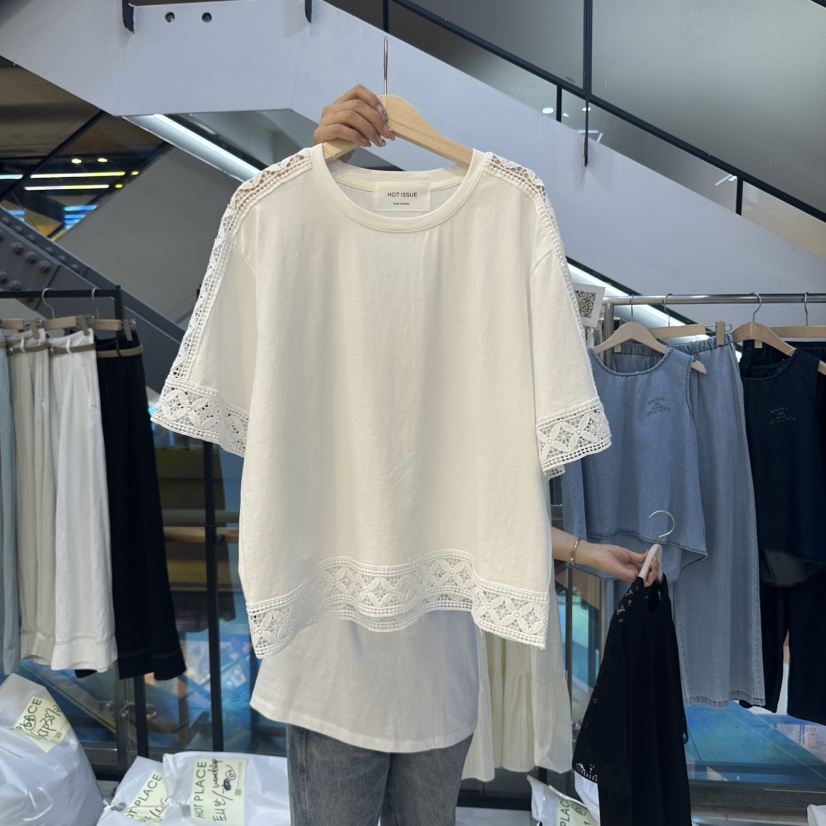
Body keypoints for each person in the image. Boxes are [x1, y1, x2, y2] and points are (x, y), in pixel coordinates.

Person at [250, 86, 657, 826]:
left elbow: (476, 487)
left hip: (438, 675)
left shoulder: (510, 216)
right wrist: (311, 170)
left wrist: (580, 551)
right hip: (330, 671)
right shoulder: (281, 218)